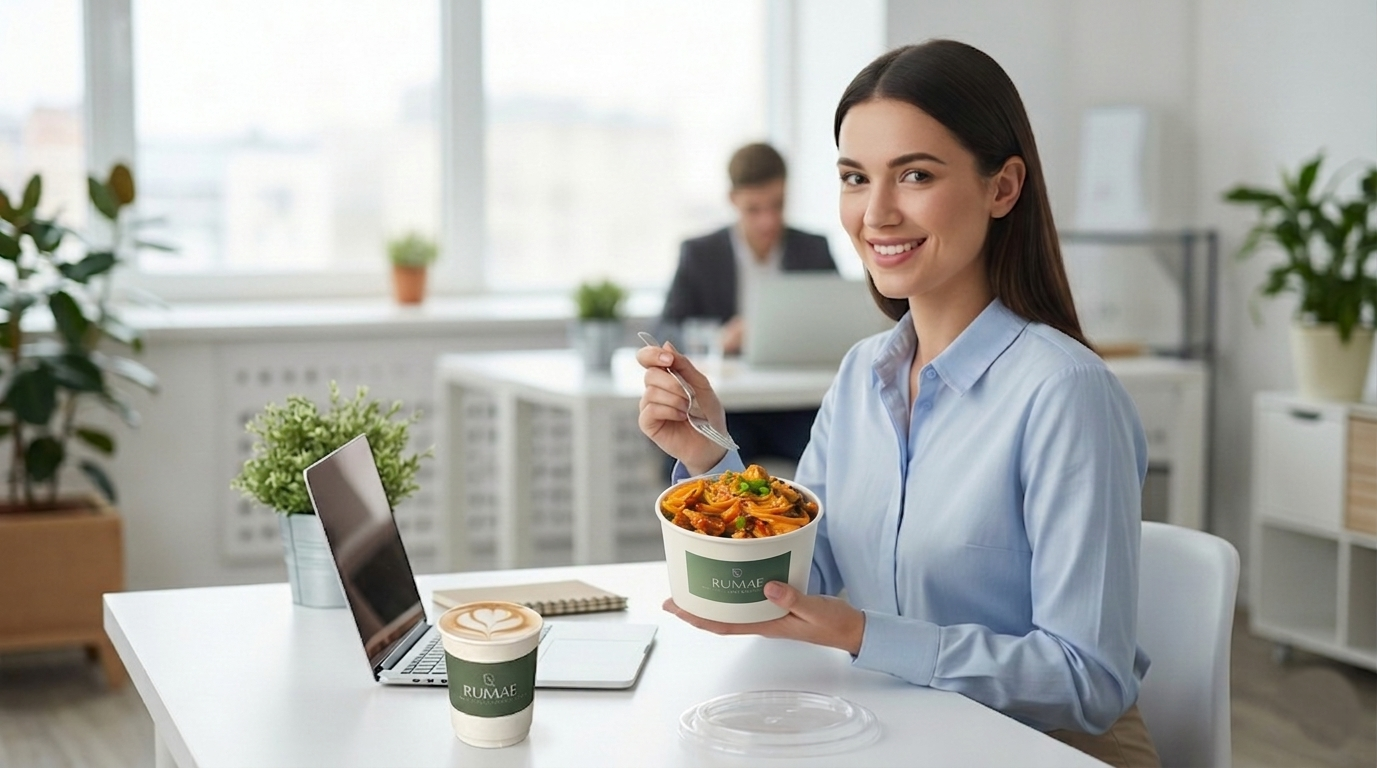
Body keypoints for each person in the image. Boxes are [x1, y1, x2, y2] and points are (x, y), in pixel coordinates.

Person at [636, 40, 1160, 768]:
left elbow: (1087, 681)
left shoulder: (1065, 394)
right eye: (855, 178)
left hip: (1049, 750)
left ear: (1003, 188)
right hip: (910, 733)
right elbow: (801, 581)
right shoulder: (863, 374)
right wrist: (709, 458)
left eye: (915, 174)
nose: (876, 213)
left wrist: (861, 635)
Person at [659, 142, 836, 467]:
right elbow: (666, 328)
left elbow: (838, 321)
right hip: (729, 408)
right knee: (708, 455)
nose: (768, 221)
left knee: (837, 449)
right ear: (733, 200)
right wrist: (717, 338)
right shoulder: (700, 253)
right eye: (754, 209)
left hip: (797, 405)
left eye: (777, 205)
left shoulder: (814, 249)